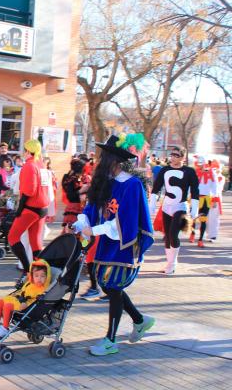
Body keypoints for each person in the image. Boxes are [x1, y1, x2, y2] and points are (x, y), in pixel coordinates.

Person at [73, 133, 155, 356]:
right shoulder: (107, 183)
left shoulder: (132, 186)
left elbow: (125, 224)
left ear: (115, 161)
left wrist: (94, 230)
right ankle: (139, 320)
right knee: (110, 287)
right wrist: (81, 223)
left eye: (104, 158)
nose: (99, 162)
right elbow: (92, 210)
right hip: (109, 245)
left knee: (114, 287)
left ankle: (110, 340)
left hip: (125, 246)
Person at [149, 146, 199, 274]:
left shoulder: (189, 171)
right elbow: (157, 187)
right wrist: (152, 203)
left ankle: (173, 263)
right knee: (167, 236)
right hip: (166, 206)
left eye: (176, 155)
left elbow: (195, 190)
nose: (172, 157)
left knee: (173, 234)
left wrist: (195, 207)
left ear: (182, 157)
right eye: (172, 154)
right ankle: (169, 263)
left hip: (180, 206)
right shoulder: (165, 170)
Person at [7, 139, 50, 279]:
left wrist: (20, 209)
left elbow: (29, 191)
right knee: (36, 242)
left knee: (13, 237)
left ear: (27, 151)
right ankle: (42, 274)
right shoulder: (41, 164)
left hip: (31, 207)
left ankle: (28, 272)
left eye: (24, 150)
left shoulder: (29, 166)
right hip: (43, 208)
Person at [0, 259, 51, 338]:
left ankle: (5, 328)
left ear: (47, 277)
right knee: (0, 302)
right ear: (32, 276)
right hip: (19, 299)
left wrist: (24, 302)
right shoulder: (30, 283)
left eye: (43, 276)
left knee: (7, 306)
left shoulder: (42, 290)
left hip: (27, 305)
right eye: (36, 276)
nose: (39, 278)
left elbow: (34, 300)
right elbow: (22, 291)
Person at [192, 157, 217, 247]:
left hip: (206, 198)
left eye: (201, 163)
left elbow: (215, 186)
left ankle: (200, 240)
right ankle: (192, 233)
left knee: (203, 219)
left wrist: (215, 199)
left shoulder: (212, 173)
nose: (200, 165)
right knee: (193, 217)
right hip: (195, 198)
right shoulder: (195, 172)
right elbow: (191, 184)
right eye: (199, 163)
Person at [207, 160, 225, 242]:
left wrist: (214, 200)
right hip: (207, 199)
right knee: (206, 217)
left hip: (216, 200)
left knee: (214, 218)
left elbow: (218, 189)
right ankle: (206, 234)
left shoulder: (221, 177)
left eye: (215, 167)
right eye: (213, 167)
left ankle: (213, 235)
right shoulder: (208, 175)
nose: (214, 169)